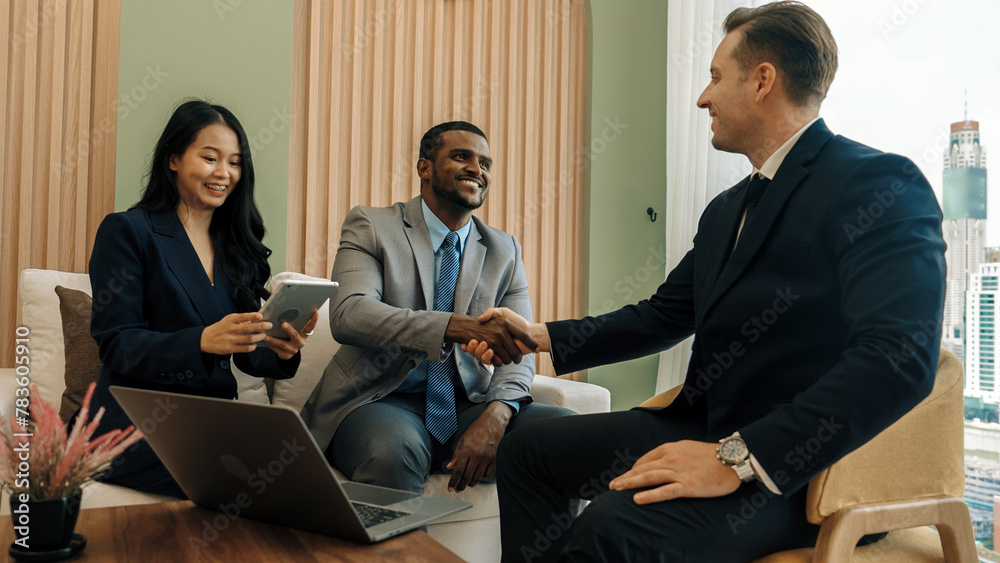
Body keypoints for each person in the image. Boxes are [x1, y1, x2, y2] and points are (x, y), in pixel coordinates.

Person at [465, 2, 947, 560]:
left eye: (716, 77)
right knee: (528, 447)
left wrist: (736, 457)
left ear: (763, 79)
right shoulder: (725, 209)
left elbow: (899, 357)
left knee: (613, 527)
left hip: (800, 471)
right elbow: (664, 314)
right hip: (702, 425)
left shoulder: (878, 184)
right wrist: (537, 334)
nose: (703, 97)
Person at [300, 121, 575, 495]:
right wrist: (455, 327)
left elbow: (520, 349)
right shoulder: (373, 225)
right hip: (380, 400)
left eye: (486, 163)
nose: (477, 169)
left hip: (468, 408)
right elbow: (351, 314)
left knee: (566, 435)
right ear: (424, 167)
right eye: (461, 157)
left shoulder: (504, 250)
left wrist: (498, 412)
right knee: (392, 452)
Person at [85, 100, 318, 498]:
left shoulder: (236, 248)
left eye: (235, 163)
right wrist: (200, 341)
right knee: (251, 482)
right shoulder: (128, 231)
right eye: (209, 158)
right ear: (173, 159)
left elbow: (248, 354)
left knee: (299, 471)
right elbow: (117, 344)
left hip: (210, 422)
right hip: (137, 421)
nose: (223, 173)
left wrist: (281, 350)